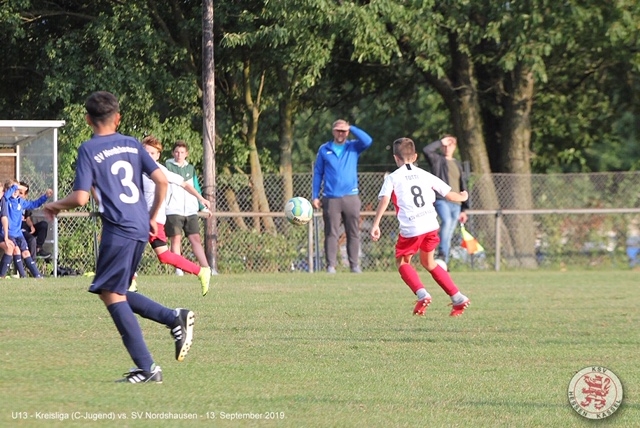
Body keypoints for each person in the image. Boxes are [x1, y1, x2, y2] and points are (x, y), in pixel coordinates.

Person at [43, 91, 195, 383]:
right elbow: (161, 180)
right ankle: (172, 319)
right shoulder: (131, 144)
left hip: (119, 227)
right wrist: (152, 216)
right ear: (118, 118)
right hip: (138, 225)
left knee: (111, 294)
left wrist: (54, 206)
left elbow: (80, 197)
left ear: (87, 120)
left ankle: (148, 366)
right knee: (116, 291)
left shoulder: (88, 149)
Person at [370, 137, 471, 317]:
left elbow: (385, 199)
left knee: (402, 262)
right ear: (415, 156)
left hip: (412, 228)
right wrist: (463, 196)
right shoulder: (425, 174)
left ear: (396, 158)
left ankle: (422, 294)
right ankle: (458, 297)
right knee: (429, 262)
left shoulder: (393, 177)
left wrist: (376, 224)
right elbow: (450, 195)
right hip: (431, 225)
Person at [134, 135, 211, 296]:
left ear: (158, 156)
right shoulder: (135, 167)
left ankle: (130, 282)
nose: (148, 156)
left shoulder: (160, 170)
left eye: (152, 153)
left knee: (133, 248)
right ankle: (200, 272)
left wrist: (201, 199)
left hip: (154, 220)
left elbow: (184, 184)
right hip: (140, 218)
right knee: (160, 255)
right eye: (145, 152)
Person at [312, 119, 373, 273]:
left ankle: (354, 265)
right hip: (331, 197)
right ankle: (331, 266)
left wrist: (351, 127)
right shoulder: (324, 149)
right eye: (338, 131)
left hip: (351, 197)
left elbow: (368, 140)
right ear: (333, 131)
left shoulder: (353, 147)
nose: (341, 134)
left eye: (344, 131)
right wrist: (315, 195)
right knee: (331, 233)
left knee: (353, 232)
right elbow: (318, 173)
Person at [164, 140, 211, 276]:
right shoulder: (167, 166)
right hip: (173, 209)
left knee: (195, 239)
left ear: (187, 154)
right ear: (173, 153)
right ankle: (178, 270)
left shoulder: (190, 169)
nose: (179, 155)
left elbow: (195, 187)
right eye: (177, 152)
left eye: (182, 152)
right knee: (176, 239)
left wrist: (202, 206)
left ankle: (207, 268)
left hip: (190, 211)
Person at [422, 135, 469, 265]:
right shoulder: (437, 160)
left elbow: (462, 185)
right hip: (442, 199)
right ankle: (441, 253)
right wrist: (440, 142)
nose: (447, 148)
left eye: (450, 145)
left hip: (457, 203)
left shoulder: (457, 164)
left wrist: (464, 209)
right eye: (445, 145)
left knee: (449, 233)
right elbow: (426, 150)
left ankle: (444, 263)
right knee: (446, 222)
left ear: (454, 147)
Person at [0, 180, 51, 278]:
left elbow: (34, 204)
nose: (15, 191)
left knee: (26, 253)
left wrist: (45, 196)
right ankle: (7, 275)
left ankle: (37, 275)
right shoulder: (6, 200)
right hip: (9, 234)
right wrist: (15, 186)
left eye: (17, 190)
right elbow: (7, 195)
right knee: (15, 250)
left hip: (18, 234)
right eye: (13, 189)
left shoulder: (21, 201)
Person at [19, 181, 51, 259]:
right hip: (19, 229)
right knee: (32, 240)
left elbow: (28, 216)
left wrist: (31, 226)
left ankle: (38, 248)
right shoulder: (12, 202)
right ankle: (32, 262)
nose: (18, 195)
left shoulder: (24, 203)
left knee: (43, 224)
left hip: (26, 228)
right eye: (17, 192)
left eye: (21, 193)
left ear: (25, 195)